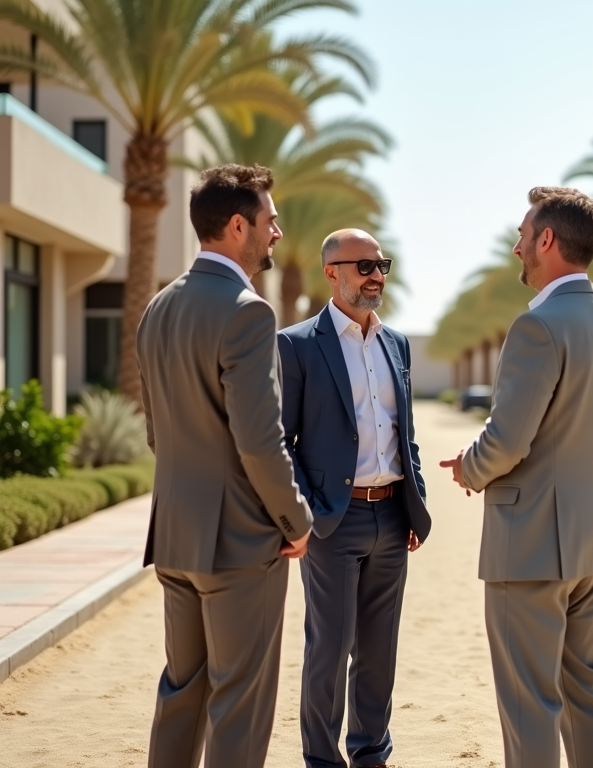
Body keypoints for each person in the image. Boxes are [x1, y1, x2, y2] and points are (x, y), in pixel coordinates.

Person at [440, 187, 593, 768]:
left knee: (529, 703)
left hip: (530, 542)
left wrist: (470, 468)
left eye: (524, 234)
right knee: (590, 691)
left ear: (547, 240)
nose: (518, 245)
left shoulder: (538, 326)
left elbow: (508, 440)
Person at [137, 164, 313, 768]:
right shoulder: (249, 311)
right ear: (238, 226)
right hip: (240, 546)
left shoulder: (157, 307)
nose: (276, 234)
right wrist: (295, 520)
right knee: (240, 703)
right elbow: (259, 440)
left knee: (182, 692)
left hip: (175, 535)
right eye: (269, 222)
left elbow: (158, 430)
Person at [277, 229, 431, 768]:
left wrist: (415, 501)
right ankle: (321, 760)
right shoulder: (296, 344)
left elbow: (403, 433)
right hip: (332, 522)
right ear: (332, 273)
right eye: (363, 265)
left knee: (378, 650)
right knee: (329, 647)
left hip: (391, 514)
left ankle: (371, 754)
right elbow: (282, 439)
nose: (376, 275)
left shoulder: (398, 344)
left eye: (381, 263)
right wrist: (310, 512)